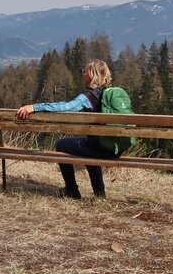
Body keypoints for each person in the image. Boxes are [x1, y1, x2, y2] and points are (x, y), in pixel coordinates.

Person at [16, 59, 119, 199]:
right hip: (113, 148)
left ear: (92, 75)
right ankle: (100, 194)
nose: (83, 74)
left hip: (98, 148)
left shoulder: (88, 97)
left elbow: (67, 107)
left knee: (61, 145)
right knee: (89, 148)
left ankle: (71, 190)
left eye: (85, 71)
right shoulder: (110, 94)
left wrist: (35, 107)